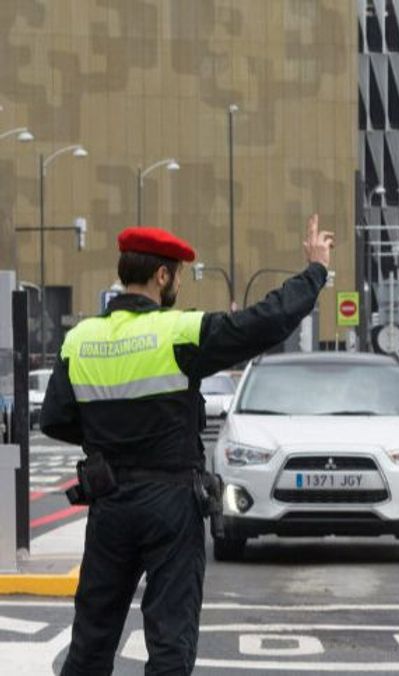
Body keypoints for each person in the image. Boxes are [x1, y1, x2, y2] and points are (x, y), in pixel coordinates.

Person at [41, 215, 334, 675]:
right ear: (162, 276)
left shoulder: (80, 340)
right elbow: (265, 322)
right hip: (170, 504)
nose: (177, 282)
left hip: (109, 504)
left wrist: (108, 435)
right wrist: (315, 271)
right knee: (169, 643)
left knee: (92, 641)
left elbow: (56, 418)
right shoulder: (178, 332)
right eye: (176, 274)